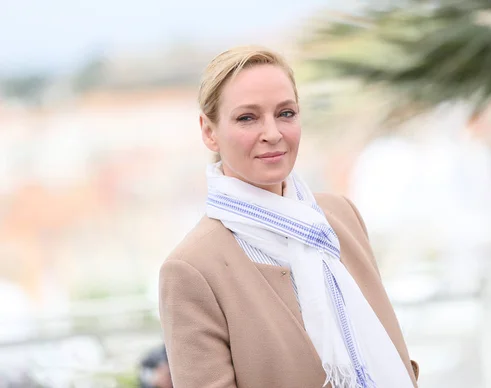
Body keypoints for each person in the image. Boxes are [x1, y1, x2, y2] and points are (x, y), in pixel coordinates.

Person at [159, 45, 419, 388]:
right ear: (209, 131)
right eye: (247, 118)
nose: (273, 133)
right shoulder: (191, 269)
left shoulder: (340, 218)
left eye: (286, 113)